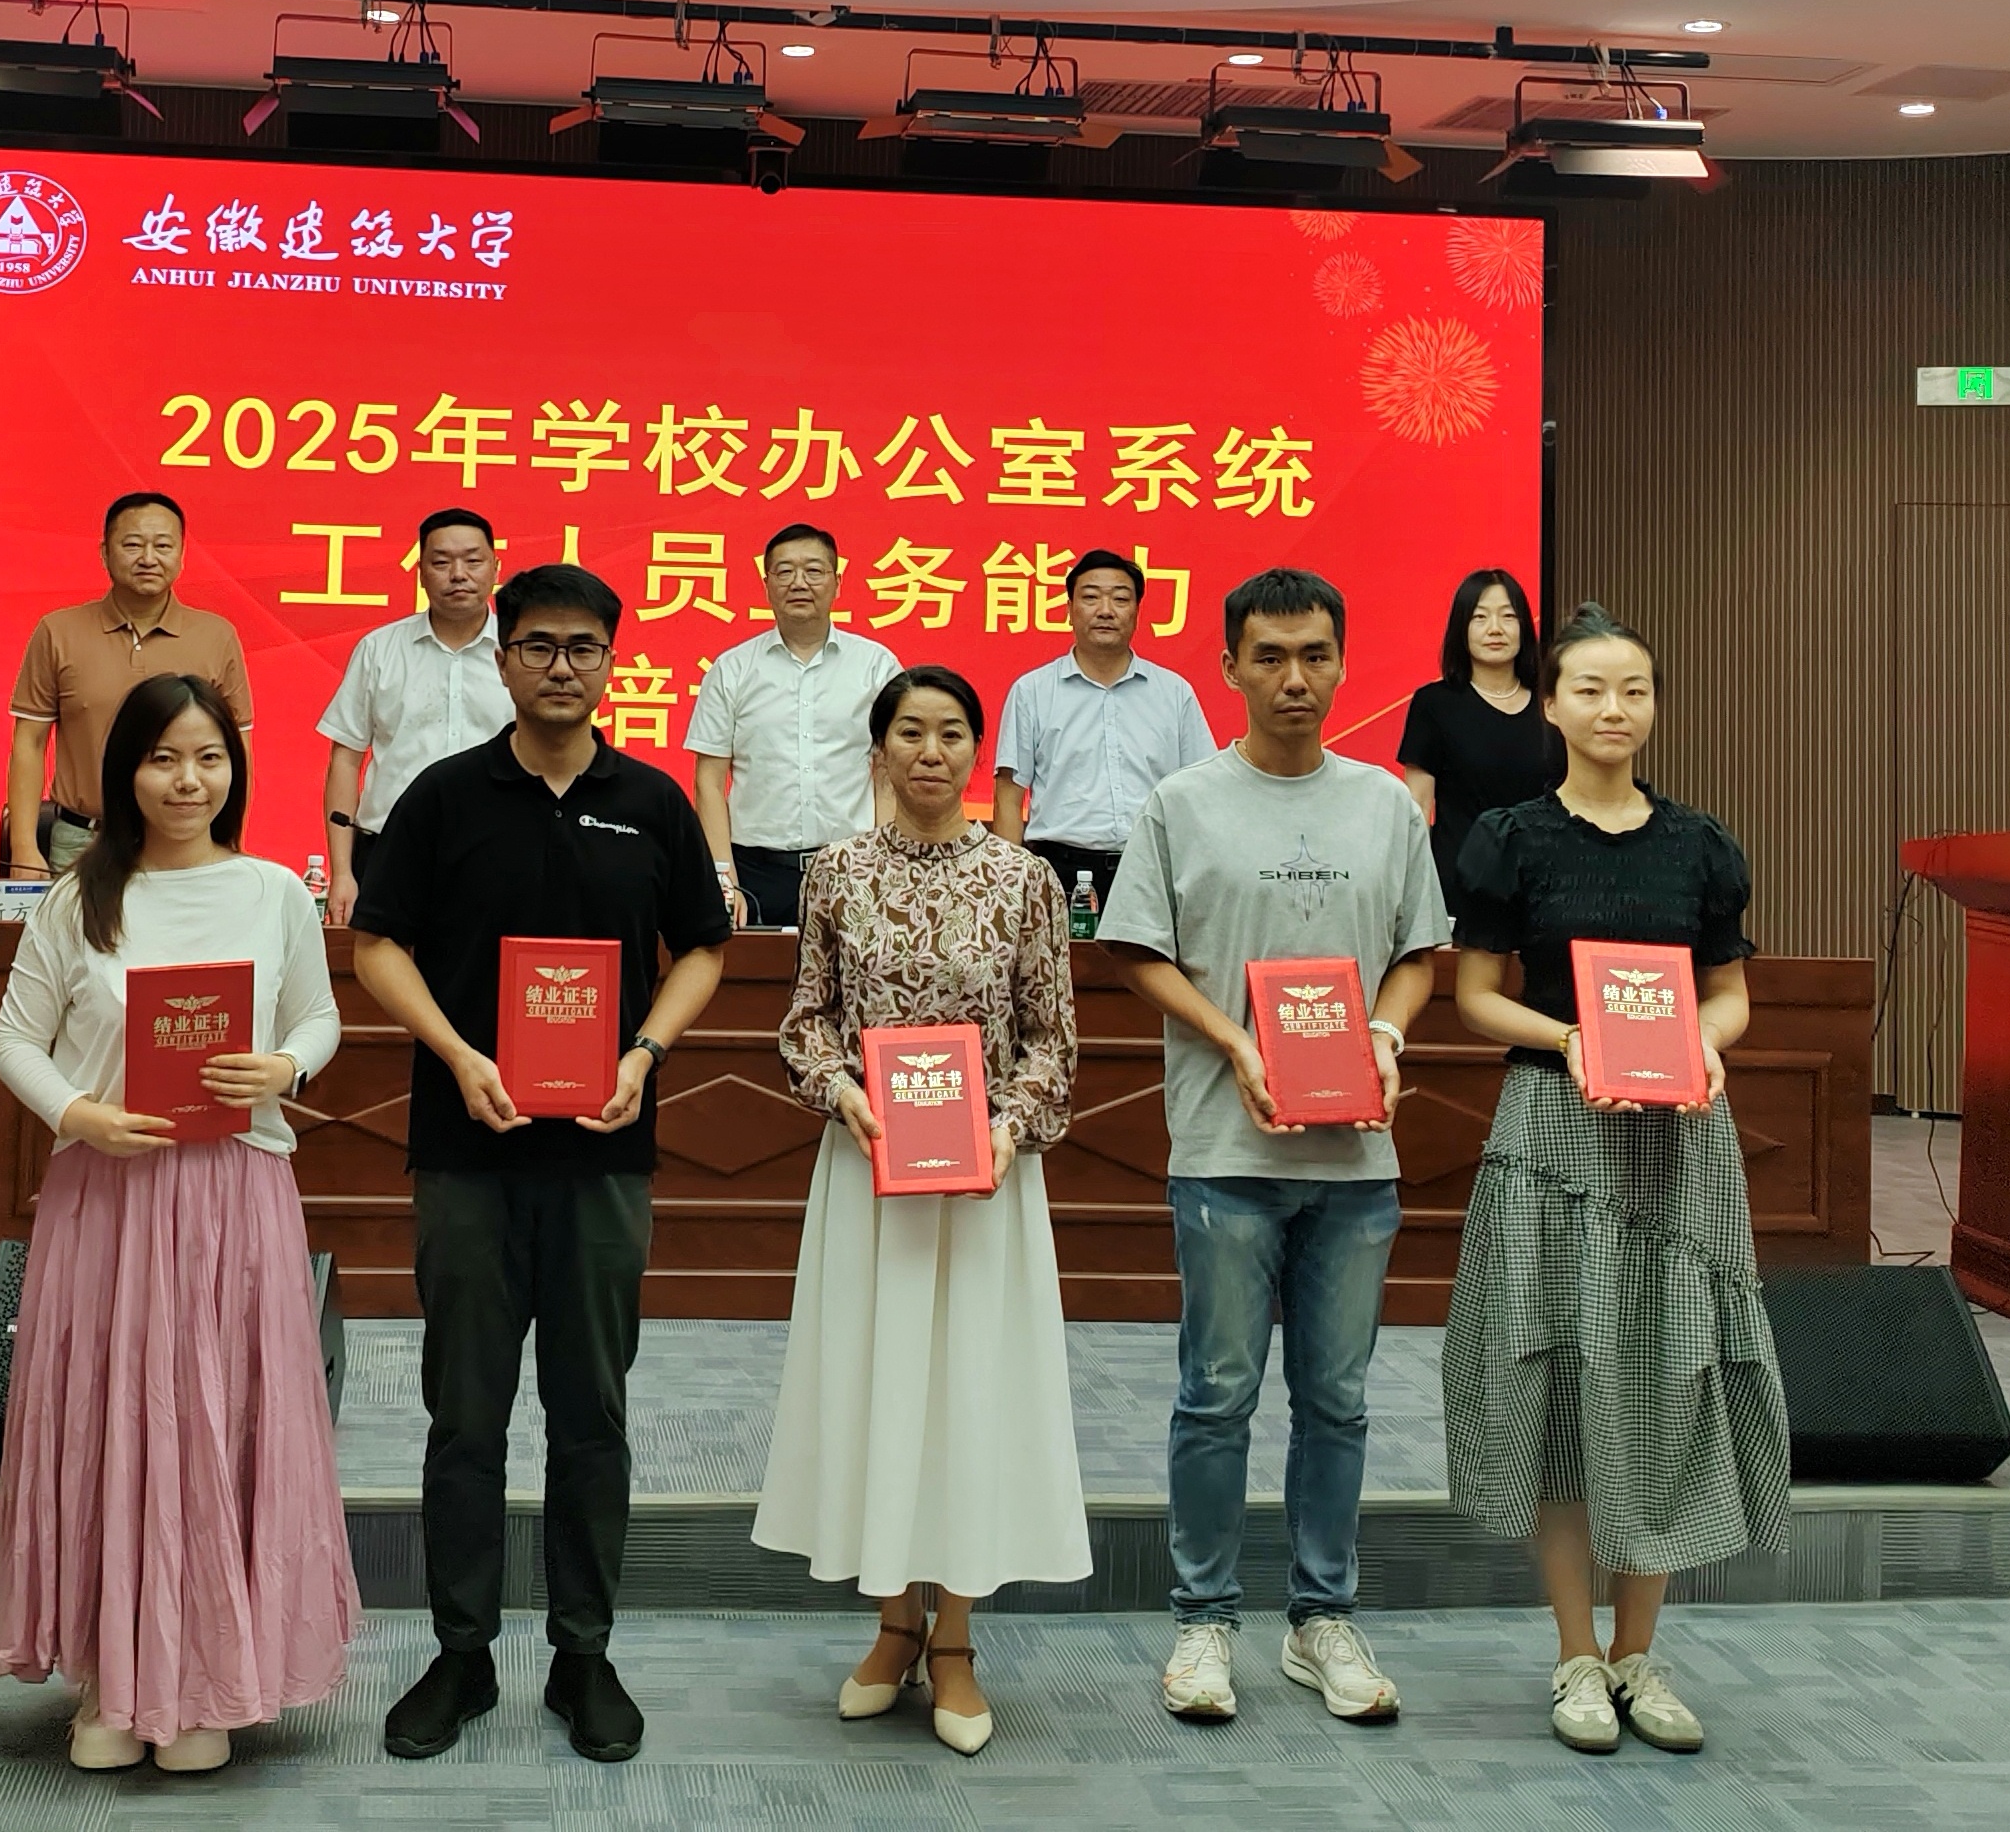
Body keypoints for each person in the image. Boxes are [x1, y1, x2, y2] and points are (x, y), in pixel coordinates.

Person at [349, 563, 731, 1766]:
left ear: (612, 662)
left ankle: (583, 1651)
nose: (562, 666)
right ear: (503, 657)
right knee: (464, 1413)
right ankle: (461, 1652)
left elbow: (702, 947)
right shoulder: (444, 794)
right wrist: (457, 1051)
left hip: (605, 1156)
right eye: (539, 645)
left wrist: (646, 1049)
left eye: (583, 647)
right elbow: (375, 942)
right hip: (469, 1149)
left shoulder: (653, 800)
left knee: (591, 1410)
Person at [0, 673, 359, 1773]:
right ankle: (112, 1675)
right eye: (162, 758)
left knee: (216, 1420)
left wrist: (286, 1066)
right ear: (125, 773)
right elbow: (15, 1041)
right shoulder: (77, 898)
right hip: (108, 1196)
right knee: (111, 1420)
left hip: (234, 1193)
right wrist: (81, 1114)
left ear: (234, 771)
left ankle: (207, 1677)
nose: (187, 780)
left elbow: (319, 1015)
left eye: (208, 758)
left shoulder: (272, 892)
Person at [1097, 567, 1449, 1729]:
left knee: (1338, 1400)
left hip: (1356, 1163)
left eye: (1314, 654)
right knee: (1217, 1395)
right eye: (1270, 656)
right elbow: (1138, 949)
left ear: (1342, 664)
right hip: (1224, 1150)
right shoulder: (1182, 801)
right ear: (1230, 668)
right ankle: (1202, 1621)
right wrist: (1233, 1039)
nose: (1294, 677)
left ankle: (1320, 1618)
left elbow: (1418, 950)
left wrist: (1386, 1033)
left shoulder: (1385, 805)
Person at [1441, 602, 1789, 1757]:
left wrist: (1705, 1042)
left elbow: (1728, 993)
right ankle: (1576, 1652)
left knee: (1665, 1375)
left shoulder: (1701, 843)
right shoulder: (1512, 838)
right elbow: (1475, 995)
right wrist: (1571, 1039)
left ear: (1654, 706)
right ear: (1551, 704)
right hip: (1557, 1131)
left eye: (1632, 688)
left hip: (1678, 1136)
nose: (1612, 708)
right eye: (1589, 688)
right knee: (1562, 1381)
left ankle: (1642, 1651)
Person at [754, 664, 1088, 1758]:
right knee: (880, 1387)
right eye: (910, 731)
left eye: (950, 732)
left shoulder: (1024, 879)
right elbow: (807, 1022)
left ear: (976, 751)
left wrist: (1007, 1128)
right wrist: (840, 1091)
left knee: (970, 1392)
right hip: (871, 1170)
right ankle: (893, 1621)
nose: (930, 751)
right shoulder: (835, 873)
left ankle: (955, 1639)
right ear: (880, 749)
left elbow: (1051, 1040)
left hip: (986, 1179)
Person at [6, 491, 253, 878]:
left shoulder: (216, 636)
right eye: (133, 545)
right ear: (105, 553)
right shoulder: (58, 631)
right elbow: (29, 742)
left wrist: (229, 843)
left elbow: (237, 752)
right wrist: (23, 846)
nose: (148, 558)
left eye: (163, 546)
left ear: (182, 554)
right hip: (82, 840)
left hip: (183, 842)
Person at [686, 523, 901, 928]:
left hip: (851, 867)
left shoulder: (877, 666)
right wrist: (723, 878)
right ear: (766, 585)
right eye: (784, 571)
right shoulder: (731, 669)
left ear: (837, 583)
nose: (799, 583)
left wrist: (883, 864)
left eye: (814, 571)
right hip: (755, 872)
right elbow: (708, 782)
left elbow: (887, 773)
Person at [317, 508, 514, 925]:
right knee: (380, 961)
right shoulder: (380, 649)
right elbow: (346, 760)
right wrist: (342, 873)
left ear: (496, 568)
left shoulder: (522, 653)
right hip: (389, 849)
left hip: (500, 849)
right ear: (421, 572)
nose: (458, 574)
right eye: (441, 562)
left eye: (473, 560)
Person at [993, 548, 1217, 907]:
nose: (1106, 610)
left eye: (1120, 599)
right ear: (1069, 610)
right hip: (1059, 870)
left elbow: (1201, 791)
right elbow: (1009, 795)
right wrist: (1008, 887)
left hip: (1153, 869)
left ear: (1137, 611)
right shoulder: (1032, 691)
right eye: (1091, 597)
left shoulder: (1174, 692)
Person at [1397, 568, 1561, 916]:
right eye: (1480, 617)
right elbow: (1417, 808)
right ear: (1462, 628)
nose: (1495, 629)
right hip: (1458, 891)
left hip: (1541, 889)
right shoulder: (1434, 704)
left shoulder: (1551, 706)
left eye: (1508, 616)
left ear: (1524, 627)